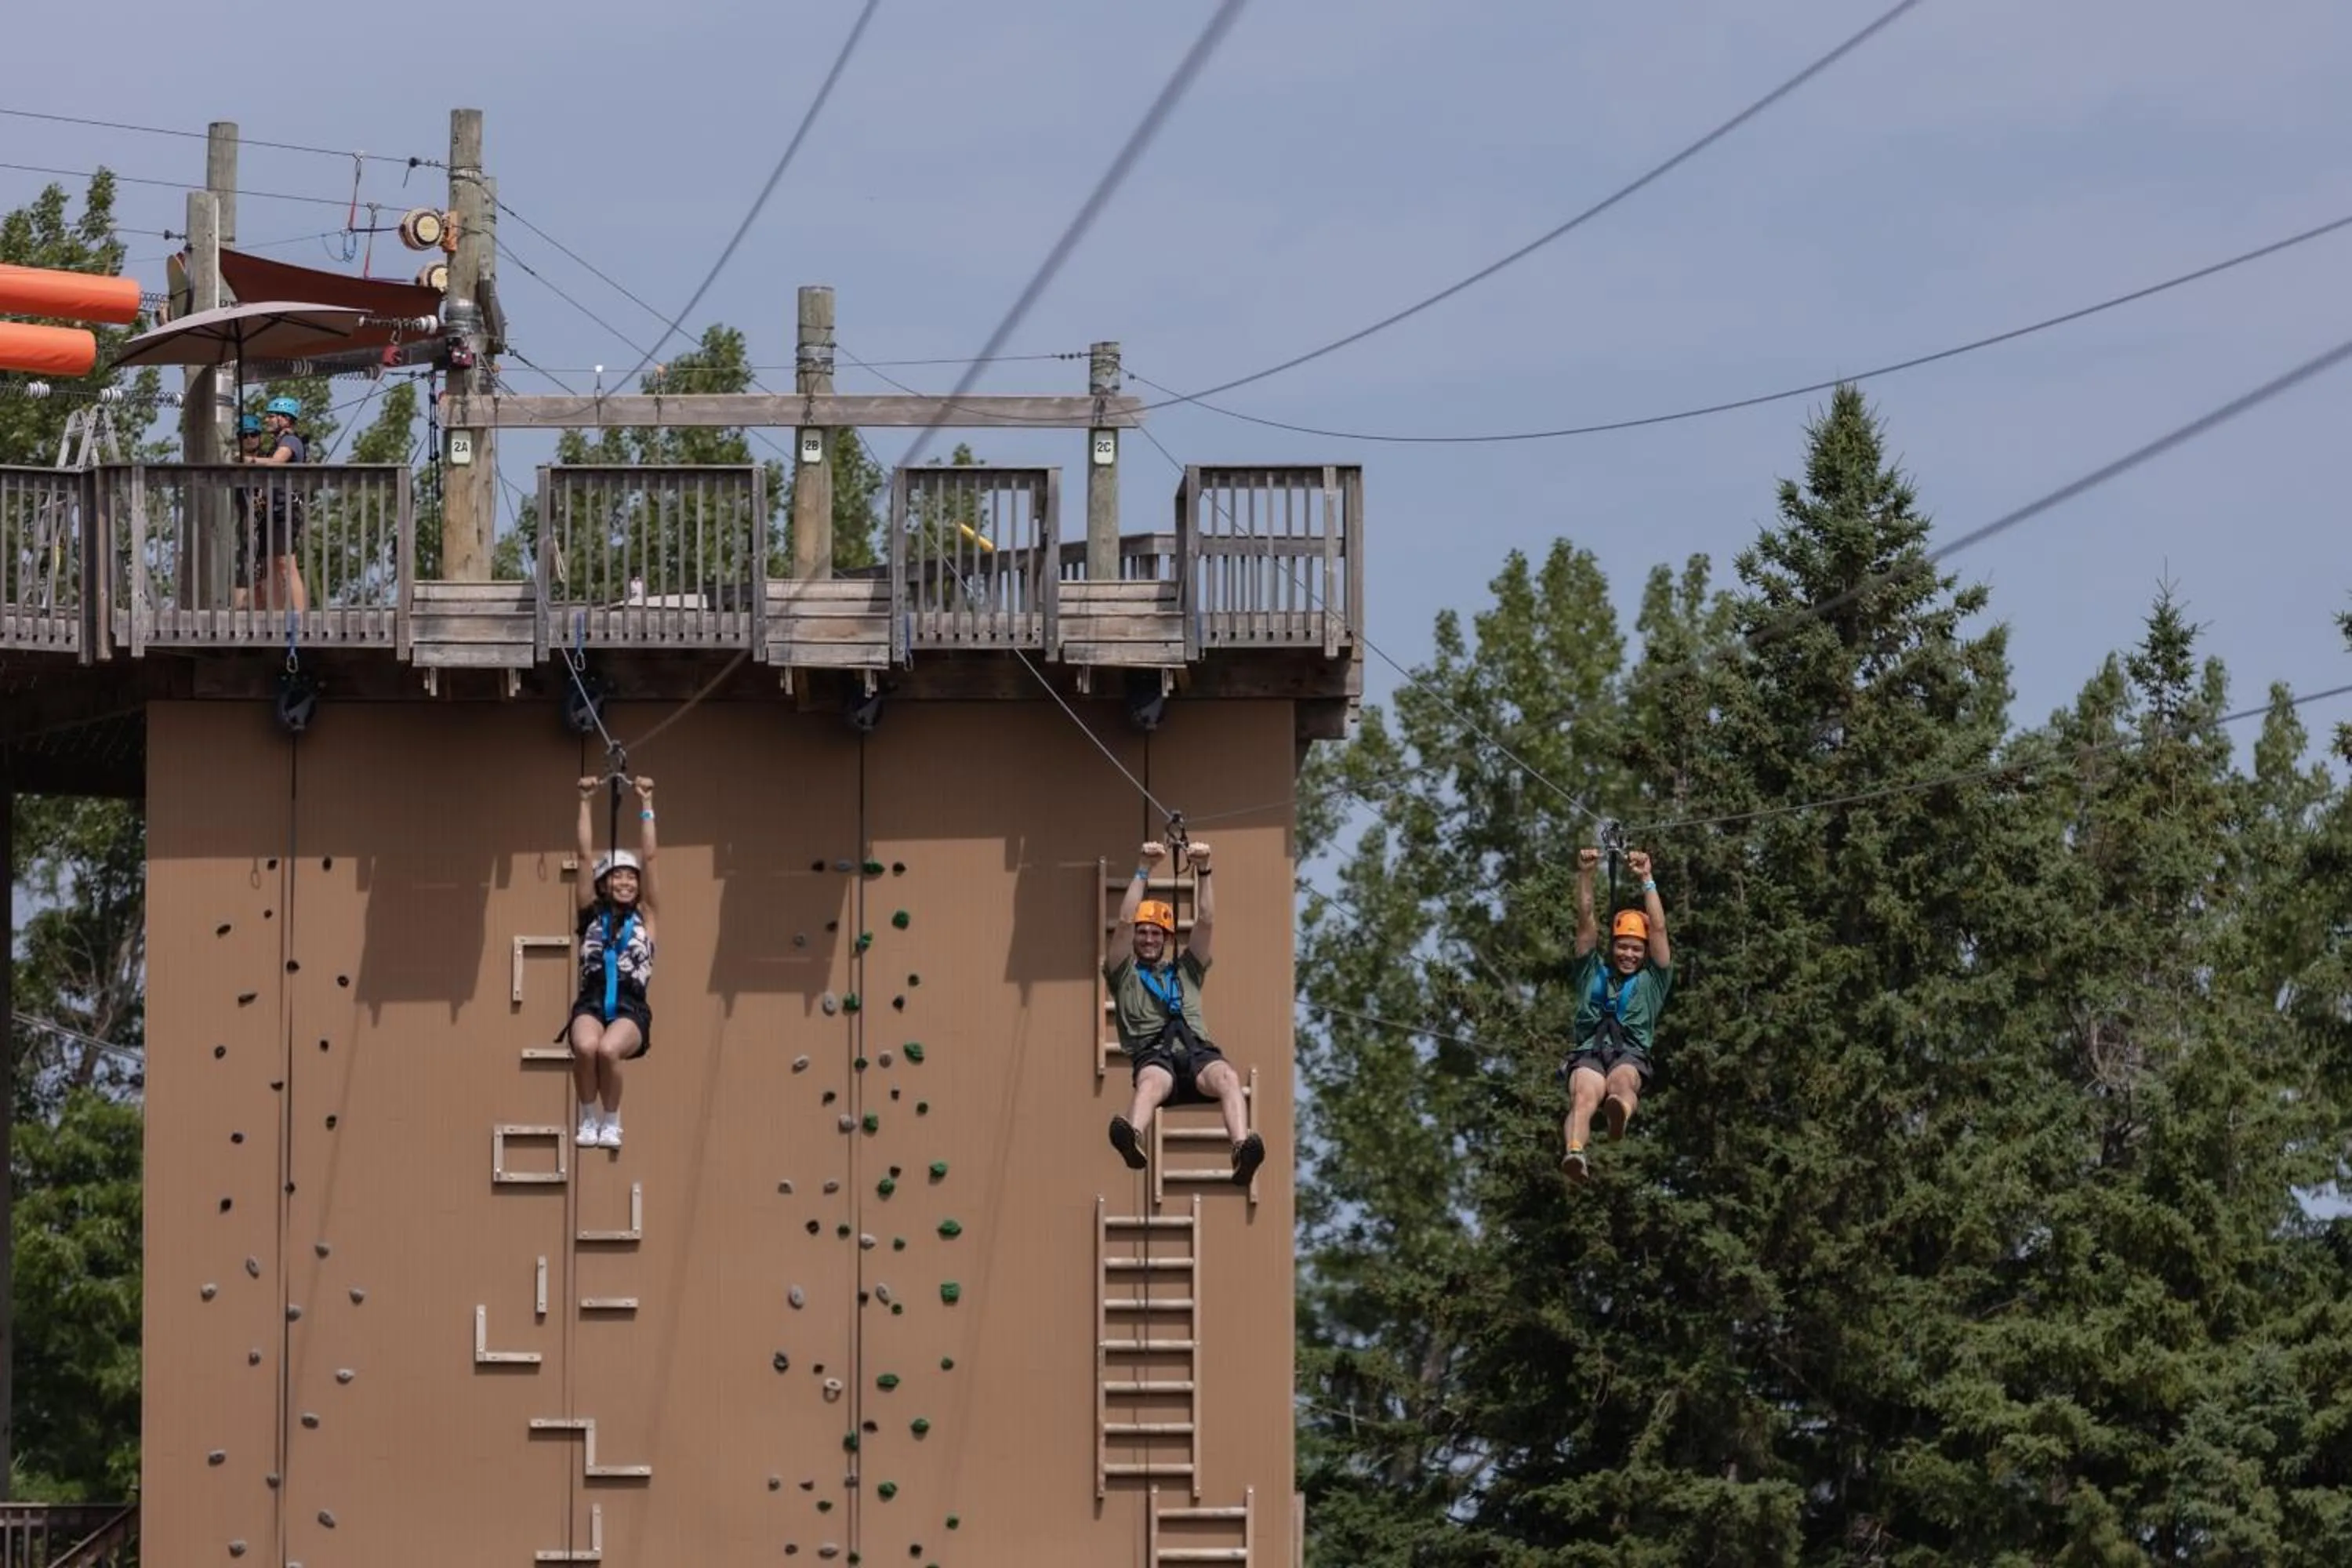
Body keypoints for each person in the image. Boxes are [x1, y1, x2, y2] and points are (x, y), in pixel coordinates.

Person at [1104, 838, 1265, 1186]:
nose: (1148, 939)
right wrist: (1143, 868)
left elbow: (1206, 920)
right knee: (1150, 1082)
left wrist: (1204, 869)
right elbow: (1123, 920)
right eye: (1142, 933)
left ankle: (1241, 1147)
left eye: (1155, 933)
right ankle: (1132, 1135)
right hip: (1154, 1056)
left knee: (1228, 1078)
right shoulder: (1123, 973)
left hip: (1197, 1055)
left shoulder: (1186, 970)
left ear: (1166, 939)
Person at [1559, 846, 1671, 1185]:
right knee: (1583, 1096)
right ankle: (1575, 1151)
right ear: (1612, 946)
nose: (1628, 953)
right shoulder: (1591, 970)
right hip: (1589, 1052)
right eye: (1622, 945)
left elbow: (1659, 931)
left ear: (1644, 952)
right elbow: (1585, 920)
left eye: (1636, 949)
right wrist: (1587, 875)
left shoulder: (1653, 980)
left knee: (1622, 1082)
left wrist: (1647, 880)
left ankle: (1618, 1111)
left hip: (1629, 1053)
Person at [562, 773, 659, 1149]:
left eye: (630, 878)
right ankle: (588, 1119)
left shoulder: (646, 917)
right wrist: (586, 801)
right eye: (617, 876)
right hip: (592, 999)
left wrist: (647, 805)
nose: (626, 883)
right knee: (586, 1048)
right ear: (603, 884)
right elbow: (585, 857)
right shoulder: (589, 915)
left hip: (630, 1006)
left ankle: (612, 1121)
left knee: (607, 1050)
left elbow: (650, 859)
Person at [241, 394, 310, 613]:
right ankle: (278, 613)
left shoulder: (290, 441)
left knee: (285, 564)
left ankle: (299, 616)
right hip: (273, 510)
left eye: (272, 416)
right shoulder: (279, 442)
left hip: (285, 510)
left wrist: (246, 459)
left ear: (285, 419)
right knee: (271, 565)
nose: (267, 420)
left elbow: (276, 462)